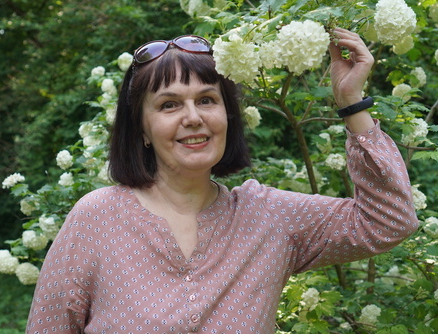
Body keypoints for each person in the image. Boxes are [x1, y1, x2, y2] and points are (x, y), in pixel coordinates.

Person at [26, 28, 419, 333]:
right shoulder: (97, 219)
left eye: (207, 100)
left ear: (227, 116)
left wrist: (351, 101)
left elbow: (389, 219)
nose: (193, 117)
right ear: (142, 129)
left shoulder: (269, 217)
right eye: (169, 105)